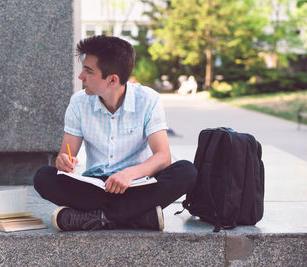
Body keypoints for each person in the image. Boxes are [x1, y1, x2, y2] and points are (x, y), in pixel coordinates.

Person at [34, 35, 197, 232]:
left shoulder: (148, 100)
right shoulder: (78, 103)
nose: (81, 77)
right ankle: (137, 217)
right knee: (43, 176)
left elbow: (163, 157)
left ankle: (97, 217)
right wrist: (63, 161)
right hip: (95, 187)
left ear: (112, 80)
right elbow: (66, 155)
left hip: (136, 185)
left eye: (88, 71)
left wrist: (129, 174)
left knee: (186, 171)